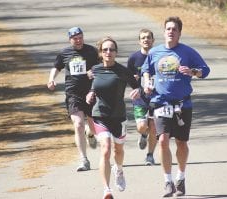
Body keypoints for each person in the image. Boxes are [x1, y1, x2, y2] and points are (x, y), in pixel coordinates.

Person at [141, 16, 210, 197]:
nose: (171, 32)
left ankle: (181, 177)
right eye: (168, 29)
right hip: (160, 102)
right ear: (164, 32)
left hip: (182, 104)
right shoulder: (154, 52)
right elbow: (145, 70)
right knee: (163, 140)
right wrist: (147, 82)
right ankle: (168, 181)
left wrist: (193, 71)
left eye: (174, 29)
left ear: (179, 33)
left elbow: (205, 70)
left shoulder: (187, 52)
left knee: (181, 143)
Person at [86, 36, 140, 199]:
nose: (108, 52)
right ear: (100, 53)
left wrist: (138, 91)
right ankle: (106, 189)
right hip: (100, 115)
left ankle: (119, 170)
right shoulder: (94, 70)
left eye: (111, 49)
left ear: (116, 52)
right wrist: (90, 93)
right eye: (105, 50)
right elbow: (92, 87)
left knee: (119, 150)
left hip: (118, 116)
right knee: (106, 149)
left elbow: (138, 87)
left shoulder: (123, 71)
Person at [47, 27, 99, 172]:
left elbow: (102, 66)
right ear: (70, 40)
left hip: (91, 92)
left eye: (80, 37)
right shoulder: (65, 53)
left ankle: (91, 133)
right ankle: (84, 159)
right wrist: (51, 80)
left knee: (94, 126)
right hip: (73, 93)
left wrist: (93, 71)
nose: (78, 40)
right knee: (78, 125)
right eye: (75, 38)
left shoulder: (92, 51)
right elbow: (56, 67)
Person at [127, 28, 157, 165]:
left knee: (154, 126)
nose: (146, 40)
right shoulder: (134, 58)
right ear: (139, 41)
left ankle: (150, 155)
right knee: (141, 126)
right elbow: (128, 78)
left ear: (153, 40)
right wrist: (134, 82)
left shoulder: (159, 56)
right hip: (140, 98)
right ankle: (143, 134)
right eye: (143, 38)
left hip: (157, 98)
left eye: (148, 37)